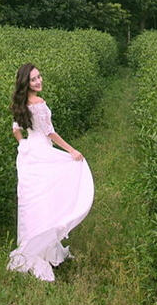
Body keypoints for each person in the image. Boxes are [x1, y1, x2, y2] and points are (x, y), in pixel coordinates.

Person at [7, 62, 94, 281]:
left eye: (39, 77)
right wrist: (72, 150)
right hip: (42, 153)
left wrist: (23, 145)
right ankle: (42, 249)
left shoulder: (19, 103)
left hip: (28, 155)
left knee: (33, 203)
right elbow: (50, 133)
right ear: (26, 83)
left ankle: (34, 247)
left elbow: (16, 130)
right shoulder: (40, 103)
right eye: (34, 79)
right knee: (45, 200)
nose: (39, 81)